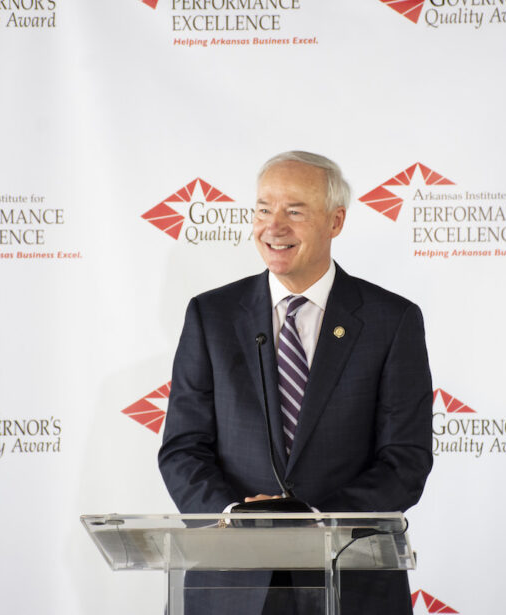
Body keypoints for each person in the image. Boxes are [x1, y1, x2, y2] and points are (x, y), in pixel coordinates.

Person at [158, 151, 433, 614]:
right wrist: (234, 517)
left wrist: (316, 521)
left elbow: (405, 460)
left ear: (335, 221)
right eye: (264, 209)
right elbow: (183, 449)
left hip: (351, 583)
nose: (274, 226)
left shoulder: (391, 320)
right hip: (232, 583)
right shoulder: (211, 316)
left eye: (295, 211)